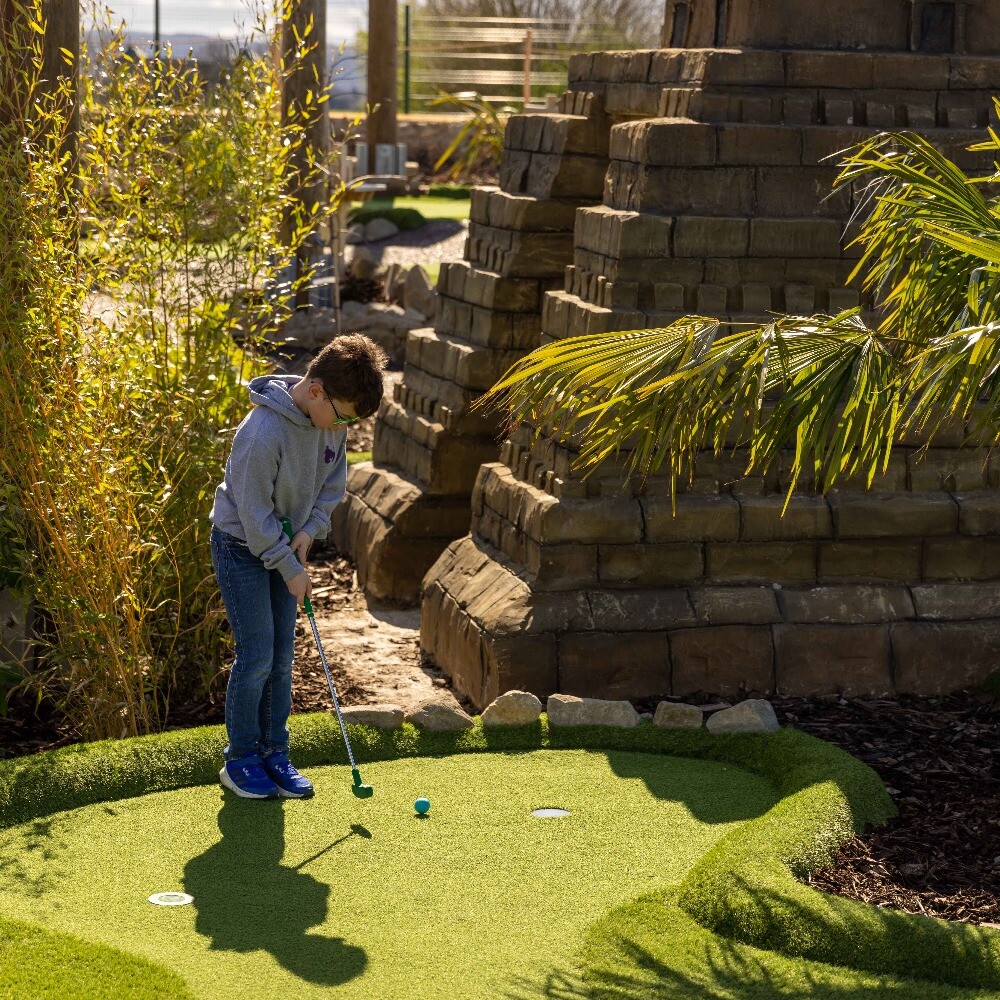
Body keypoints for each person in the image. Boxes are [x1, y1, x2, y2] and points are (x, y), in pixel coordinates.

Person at [209, 334, 387, 799]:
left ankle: (275, 753)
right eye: (344, 416)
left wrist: (310, 530)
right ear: (316, 392)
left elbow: (331, 486)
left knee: (283, 661)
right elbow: (253, 515)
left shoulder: (330, 423)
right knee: (258, 656)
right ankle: (241, 759)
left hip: (285, 544)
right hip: (242, 545)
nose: (343, 427)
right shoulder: (262, 434)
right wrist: (290, 567)